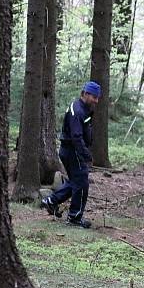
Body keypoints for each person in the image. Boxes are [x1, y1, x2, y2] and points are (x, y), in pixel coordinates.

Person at [41, 81, 101, 228]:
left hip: (71, 151)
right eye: (94, 97)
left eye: (97, 98)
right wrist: (86, 155)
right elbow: (76, 137)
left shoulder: (82, 108)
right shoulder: (77, 110)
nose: (96, 101)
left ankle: (51, 201)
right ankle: (74, 218)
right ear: (85, 94)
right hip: (73, 151)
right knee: (81, 184)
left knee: (75, 182)